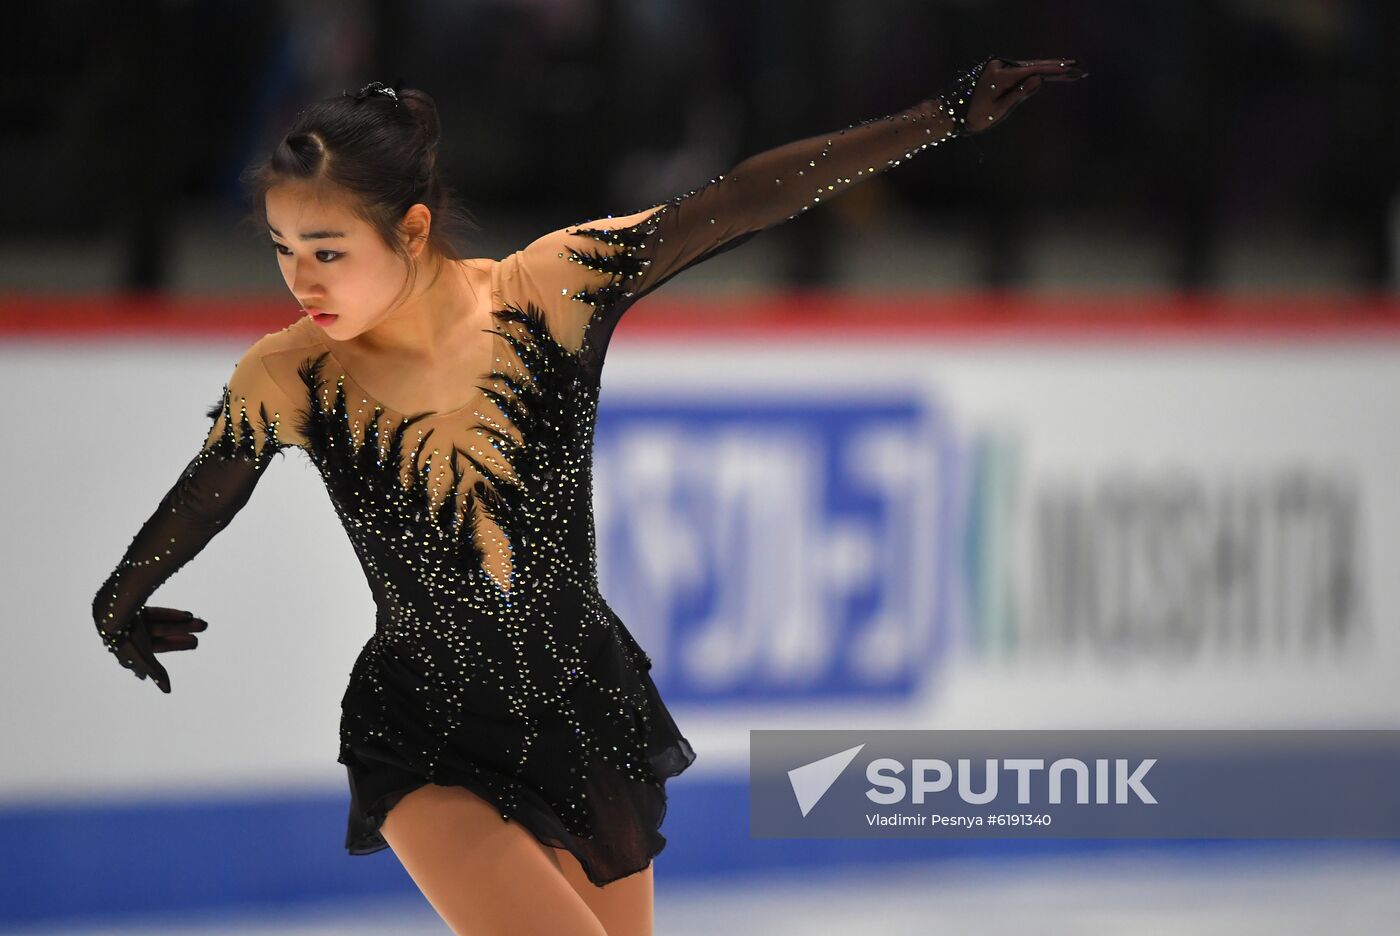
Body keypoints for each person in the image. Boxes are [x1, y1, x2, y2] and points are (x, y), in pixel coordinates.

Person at [90, 56, 1084, 936]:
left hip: (584, 710)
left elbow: (733, 202)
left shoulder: (545, 292)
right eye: (280, 248)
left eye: (327, 248)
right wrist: (120, 599)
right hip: (426, 724)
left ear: (413, 228)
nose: (298, 278)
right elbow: (209, 489)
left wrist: (936, 119)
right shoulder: (290, 373)